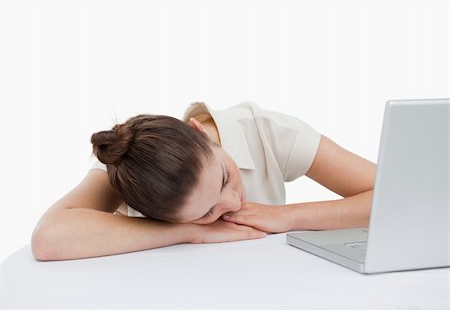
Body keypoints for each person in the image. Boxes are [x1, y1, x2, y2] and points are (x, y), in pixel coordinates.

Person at [31, 101, 376, 261]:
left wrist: (289, 217)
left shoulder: (264, 132)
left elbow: (398, 194)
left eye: (225, 178)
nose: (233, 204)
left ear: (200, 132)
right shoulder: (131, 173)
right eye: (207, 212)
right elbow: (49, 239)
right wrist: (189, 232)